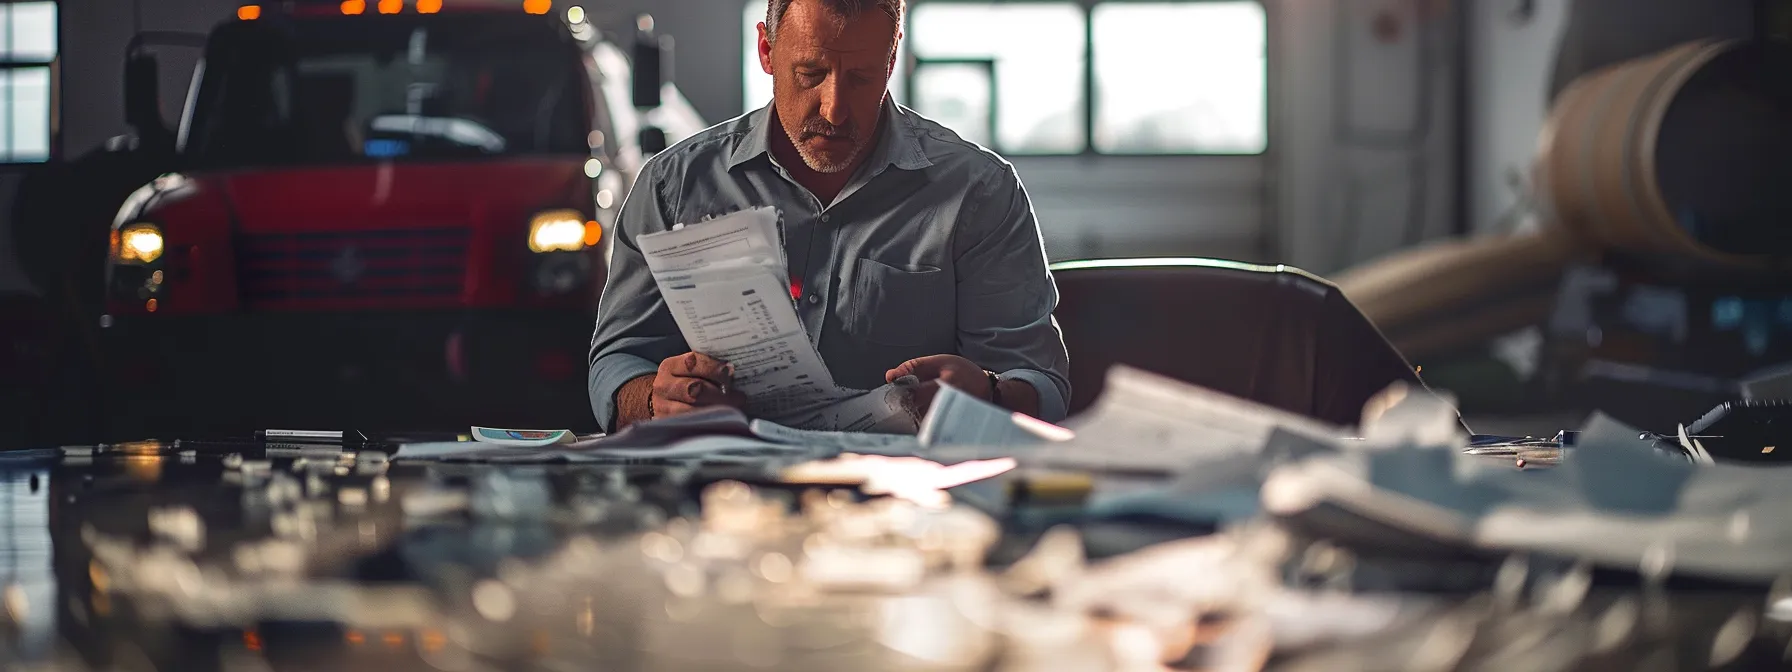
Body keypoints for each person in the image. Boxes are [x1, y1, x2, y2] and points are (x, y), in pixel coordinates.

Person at [587, 0, 1069, 432]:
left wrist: (989, 391)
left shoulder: (978, 193)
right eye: (810, 73)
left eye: (861, 77)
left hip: (906, 498)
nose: (835, 110)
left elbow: (1040, 383)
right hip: (724, 493)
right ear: (766, 50)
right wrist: (653, 399)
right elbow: (618, 361)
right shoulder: (673, 187)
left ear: (892, 58)